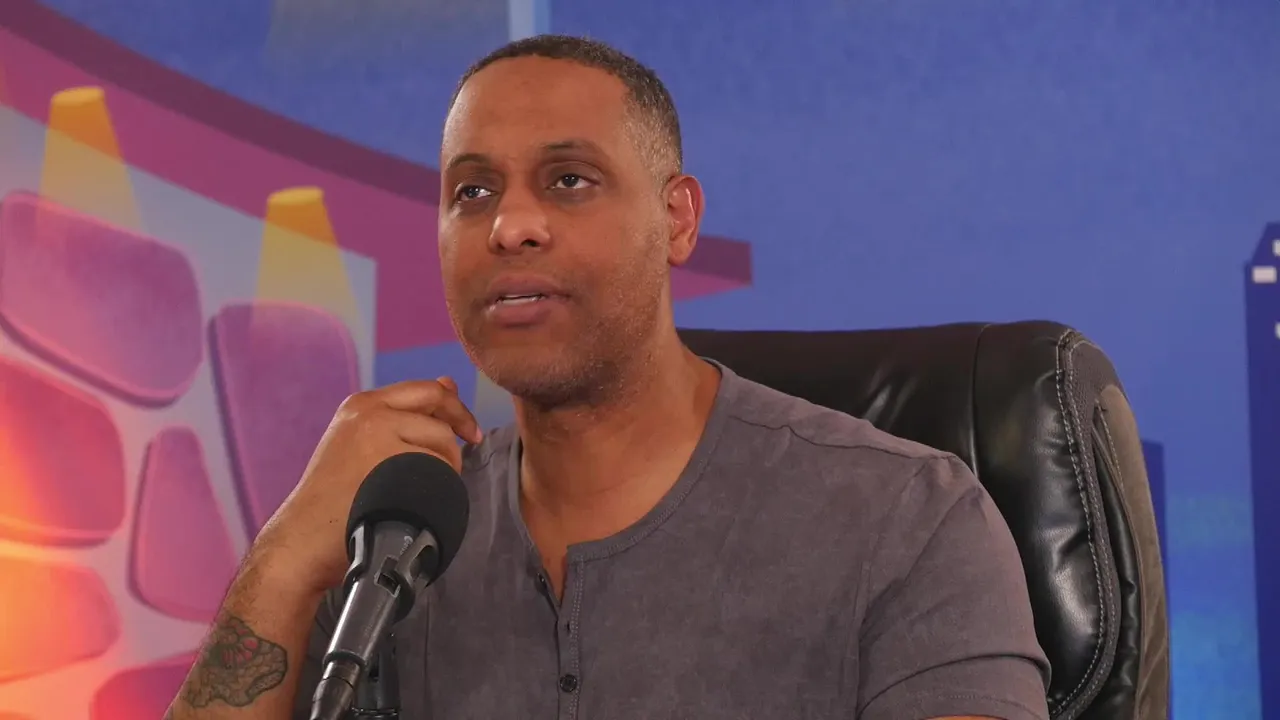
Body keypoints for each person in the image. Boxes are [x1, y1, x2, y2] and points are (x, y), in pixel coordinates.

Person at [165, 34, 1051, 720]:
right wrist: (285, 559)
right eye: (472, 192)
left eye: (568, 180)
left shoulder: (908, 523)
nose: (510, 225)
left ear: (677, 220)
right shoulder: (392, 542)